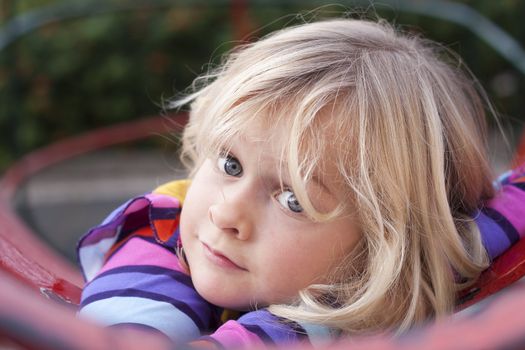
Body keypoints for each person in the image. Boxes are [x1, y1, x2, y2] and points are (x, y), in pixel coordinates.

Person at [77, 18, 525, 348]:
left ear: (386, 245)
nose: (226, 214)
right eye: (231, 164)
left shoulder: (417, 262)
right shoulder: (159, 235)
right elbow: (125, 330)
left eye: (293, 200)